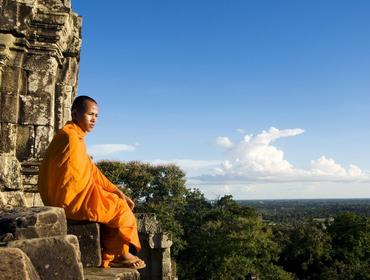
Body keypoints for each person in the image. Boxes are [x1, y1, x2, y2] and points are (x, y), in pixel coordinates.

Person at [38, 95, 145, 269]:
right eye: (90, 114)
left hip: (70, 196)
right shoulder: (69, 138)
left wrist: (117, 191)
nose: (94, 119)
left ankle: (110, 253)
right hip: (69, 200)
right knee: (120, 208)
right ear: (75, 113)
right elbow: (72, 179)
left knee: (116, 201)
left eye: (96, 116)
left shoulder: (74, 136)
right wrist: (114, 196)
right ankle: (120, 255)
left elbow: (91, 171)